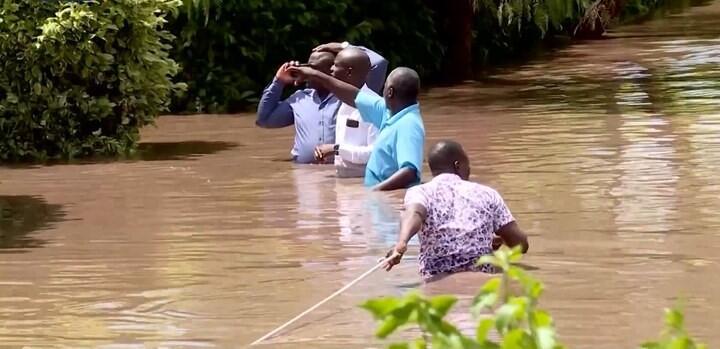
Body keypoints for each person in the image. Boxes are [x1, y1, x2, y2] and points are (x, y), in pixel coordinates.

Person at [382, 140, 529, 282]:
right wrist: (504, 239)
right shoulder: (488, 194)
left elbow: (414, 213)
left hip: (436, 278)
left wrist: (401, 243)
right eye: (468, 165)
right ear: (457, 165)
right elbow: (520, 245)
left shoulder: (420, 192)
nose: (469, 170)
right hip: (481, 279)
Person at [287, 65, 425, 190]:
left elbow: (409, 172)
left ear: (389, 92)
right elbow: (353, 96)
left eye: (384, 86)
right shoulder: (388, 111)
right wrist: (314, 74)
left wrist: (376, 192)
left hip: (389, 202)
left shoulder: (409, 125)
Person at [255, 42, 388, 164]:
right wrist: (279, 81)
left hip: (340, 170)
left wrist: (343, 47)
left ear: (330, 71)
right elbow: (264, 120)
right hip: (305, 176)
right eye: (307, 66)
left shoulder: (350, 96)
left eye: (313, 69)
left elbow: (379, 62)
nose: (305, 70)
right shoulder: (299, 99)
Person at [313, 48, 380, 178]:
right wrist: (330, 152)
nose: (331, 69)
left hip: (365, 182)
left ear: (349, 72)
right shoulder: (343, 103)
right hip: (344, 182)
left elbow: (375, 153)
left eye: (336, 65)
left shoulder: (374, 107)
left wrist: (335, 149)